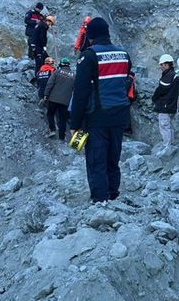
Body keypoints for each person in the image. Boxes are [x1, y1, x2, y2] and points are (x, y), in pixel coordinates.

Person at [70, 17, 132, 203]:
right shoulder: (124, 54)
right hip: (120, 115)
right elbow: (125, 80)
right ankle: (113, 193)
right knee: (113, 158)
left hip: (97, 117)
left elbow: (81, 92)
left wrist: (75, 123)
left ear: (90, 36)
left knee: (97, 160)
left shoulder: (88, 56)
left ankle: (100, 200)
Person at [151, 54, 179, 146]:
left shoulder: (168, 75)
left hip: (165, 105)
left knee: (164, 126)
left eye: (161, 65)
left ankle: (166, 146)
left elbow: (161, 89)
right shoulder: (174, 75)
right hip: (171, 104)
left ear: (166, 64)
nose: (160, 67)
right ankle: (170, 144)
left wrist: (154, 98)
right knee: (169, 126)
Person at [44, 57, 74, 141]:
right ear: (69, 65)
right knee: (62, 119)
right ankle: (61, 137)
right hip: (65, 101)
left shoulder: (57, 72)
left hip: (53, 99)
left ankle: (52, 130)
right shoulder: (74, 75)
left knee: (50, 114)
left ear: (61, 64)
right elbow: (75, 90)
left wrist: (46, 95)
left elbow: (50, 84)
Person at [125, 70, 137, 136]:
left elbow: (126, 88)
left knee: (125, 112)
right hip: (129, 96)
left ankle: (127, 129)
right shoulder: (130, 76)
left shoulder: (129, 77)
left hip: (128, 97)